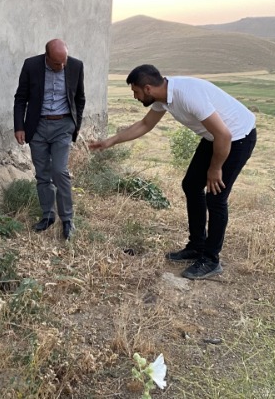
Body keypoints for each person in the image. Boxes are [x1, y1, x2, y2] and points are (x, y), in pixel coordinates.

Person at [89, 64, 256, 280]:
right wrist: (110, 141)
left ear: (147, 88)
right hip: (214, 138)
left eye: (136, 92)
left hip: (236, 137)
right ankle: (197, 246)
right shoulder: (163, 96)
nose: (135, 97)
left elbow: (223, 134)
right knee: (191, 185)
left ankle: (211, 259)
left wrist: (215, 169)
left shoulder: (187, 95)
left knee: (215, 197)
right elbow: (145, 124)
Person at [14, 39, 85, 240]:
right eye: (56, 63)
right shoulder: (31, 65)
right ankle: (47, 216)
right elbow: (20, 98)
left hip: (63, 125)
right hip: (37, 127)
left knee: (59, 171)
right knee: (43, 174)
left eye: (64, 62)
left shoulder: (76, 65)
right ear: (47, 57)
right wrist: (20, 126)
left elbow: (80, 98)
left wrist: (75, 127)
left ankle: (67, 220)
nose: (62, 66)